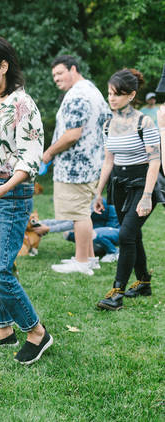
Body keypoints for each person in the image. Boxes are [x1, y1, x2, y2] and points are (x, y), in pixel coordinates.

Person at [0, 36, 52, 364]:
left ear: (4, 66)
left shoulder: (22, 103)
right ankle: (4, 329)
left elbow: (31, 159)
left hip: (10, 193)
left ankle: (37, 332)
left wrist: (2, 189)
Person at [93, 69, 163, 311]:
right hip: (119, 186)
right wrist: (98, 192)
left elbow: (155, 160)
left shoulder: (145, 122)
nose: (111, 98)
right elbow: (108, 162)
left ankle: (117, 292)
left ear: (131, 95)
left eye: (117, 94)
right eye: (109, 93)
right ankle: (143, 281)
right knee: (133, 235)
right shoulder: (108, 124)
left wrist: (146, 195)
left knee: (125, 236)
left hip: (143, 186)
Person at [44, 55, 111, 276]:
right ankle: (89, 258)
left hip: (76, 168)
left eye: (60, 73)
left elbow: (73, 134)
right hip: (92, 164)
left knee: (78, 214)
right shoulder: (93, 91)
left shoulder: (77, 95)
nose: (56, 78)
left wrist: (48, 153)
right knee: (83, 213)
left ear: (73, 69)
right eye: (54, 75)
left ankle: (81, 262)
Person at [33, 198, 120, 262]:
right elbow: (66, 219)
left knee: (90, 232)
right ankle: (98, 250)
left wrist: (48, 229)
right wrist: (41, 223)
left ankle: (113, 252)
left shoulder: (91, 201)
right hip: (102, 228)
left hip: (115, 230)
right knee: (68, 234)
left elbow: (72, 223)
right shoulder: (80, 201)